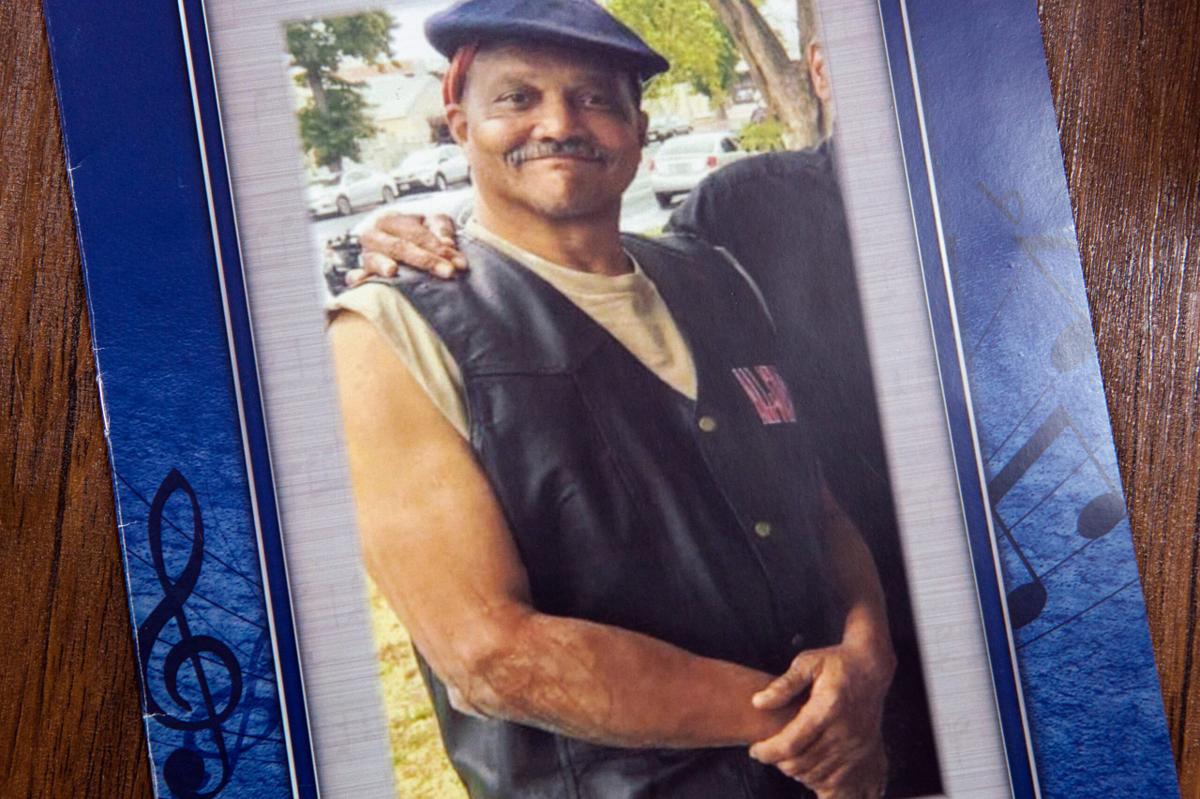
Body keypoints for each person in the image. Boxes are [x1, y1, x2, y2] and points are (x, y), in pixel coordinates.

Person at [329, 1, 895, 796]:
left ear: (638, 125)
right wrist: (810, 722)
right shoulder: (388, 333)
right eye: (517, 98)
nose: (560, 122)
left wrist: (868, 656)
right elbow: (489, 655)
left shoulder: (720, 280)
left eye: (596, 98)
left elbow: (820, 510)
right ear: (457, 121)